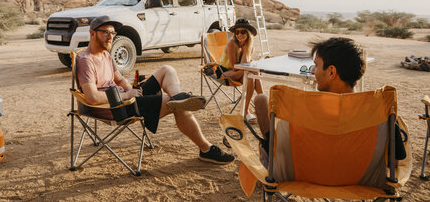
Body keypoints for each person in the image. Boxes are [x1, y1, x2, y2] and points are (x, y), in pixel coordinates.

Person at [76, 15, 235, 165]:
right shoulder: (86, 61)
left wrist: (131, 89)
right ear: (92, 34)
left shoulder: (105, 55)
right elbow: (92, 98)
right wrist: (126, 95)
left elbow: (119, 79)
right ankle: (206, 149)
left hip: (126, 97)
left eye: (113, 32)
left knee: (167, 70)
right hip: (116, 107)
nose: (111, 37)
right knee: (175, 104)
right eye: (105, 33)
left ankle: (178, 96)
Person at [254, 37, 405, 159]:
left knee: (261, 100)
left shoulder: (304, 107)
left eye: (316, 65)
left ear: (331, 72)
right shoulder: (379, 109)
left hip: (304, 174)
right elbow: (399, 155)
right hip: (360, 178)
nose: (313, 72)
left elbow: (286, 148)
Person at [217, 18, 264, 123]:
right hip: (225, 71)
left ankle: (248, 110)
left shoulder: (249, 46)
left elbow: (245, 64)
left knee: (252, 76)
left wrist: (247, 47)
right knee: (253, 71)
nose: (239, 35)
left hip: (241, 71)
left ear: (248, 33)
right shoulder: (232, 44)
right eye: (237, 32)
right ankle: (261, 104)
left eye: (242, 32)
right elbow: (235, 67)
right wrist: (251, 66)